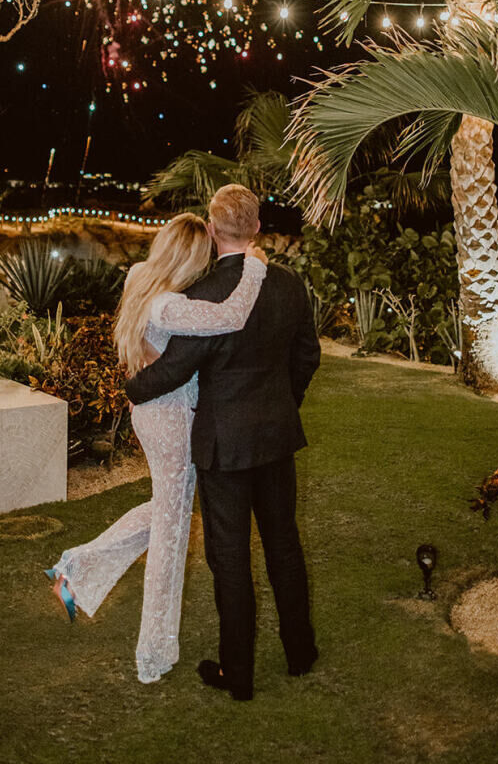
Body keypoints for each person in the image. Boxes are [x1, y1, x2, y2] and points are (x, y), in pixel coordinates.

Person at [45, 211, 267, 685]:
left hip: (153, 417)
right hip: (170, 420)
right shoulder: (168, 306)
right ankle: (154, 651)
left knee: (167, 512)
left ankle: (76, 568)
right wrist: (254, 265)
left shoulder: (139, 279)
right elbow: (232, 316)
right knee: (171, 535)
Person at [126, 184, 320, 702]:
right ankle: (301, 653)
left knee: (230, 560)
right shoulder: (288, 283)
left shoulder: (205, 293)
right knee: (284, 545)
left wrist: (130, 387)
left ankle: (239, 674)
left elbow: (174, 368)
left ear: (213, 231)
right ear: (256, 228)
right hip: (276, 438)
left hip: (223, 444)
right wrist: (284, 404)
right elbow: (307, 356)